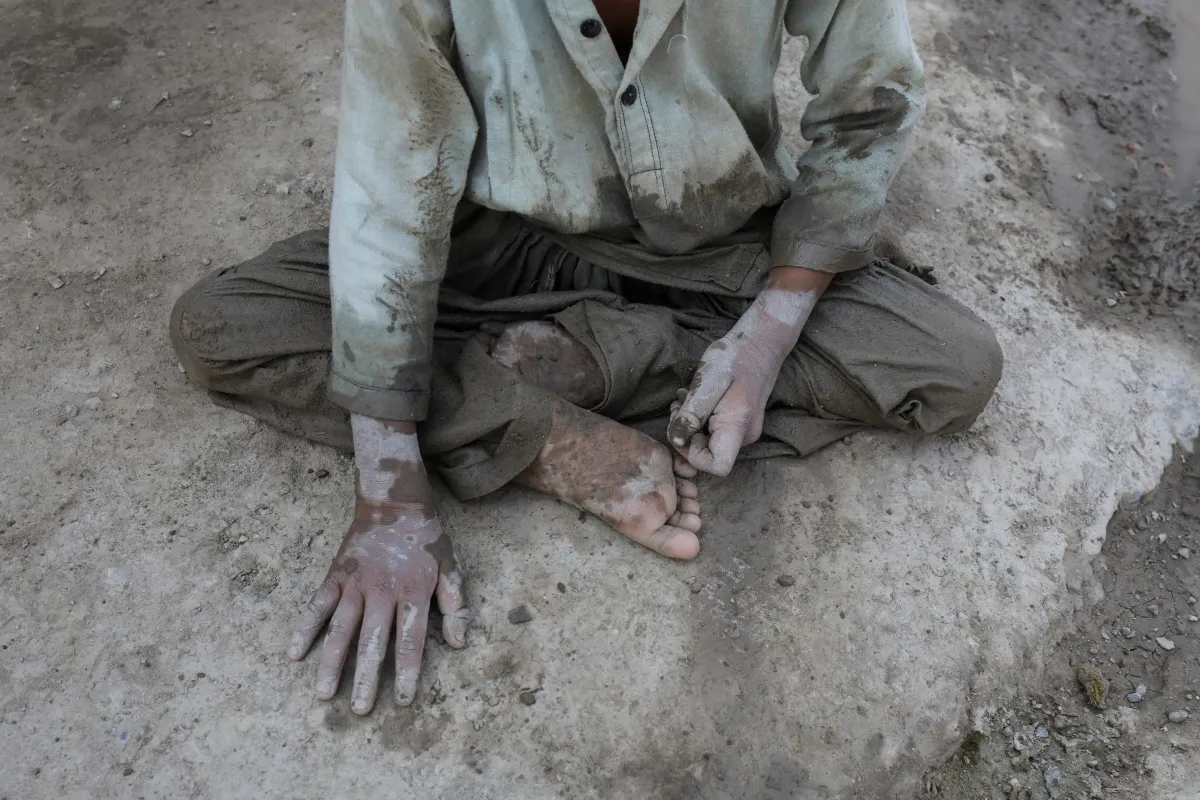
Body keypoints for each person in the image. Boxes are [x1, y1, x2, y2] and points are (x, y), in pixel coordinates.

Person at [170, 0, 1003, 715]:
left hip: (712, 244)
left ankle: (601, 356)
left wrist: (767, 335)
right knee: (225, 325)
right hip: (491, 247)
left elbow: (869, 104)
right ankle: (541, 423)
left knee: (948, 365)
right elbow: (391, 180)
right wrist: (390, 490)